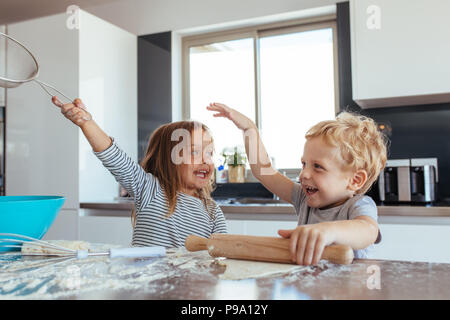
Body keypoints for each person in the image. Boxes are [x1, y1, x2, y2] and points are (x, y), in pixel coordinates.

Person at [207, 102, 387, 265]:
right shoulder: (304, 198)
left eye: (318, 167)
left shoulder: (358, 206)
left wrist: (327, 231)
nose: (304, 174)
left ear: (355, 180)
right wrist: (249, 129)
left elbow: (368, 231)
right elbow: (264, 171)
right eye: (304, 164)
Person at [52, 97, 227, 248]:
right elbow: (114, 157)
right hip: (149, 284)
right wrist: (86, 122)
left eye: (209, 153)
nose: (206, 160)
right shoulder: (150, 189)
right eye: (195, 152)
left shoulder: (213, 212)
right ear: (169, 158)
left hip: (192, 286)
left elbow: (222, 254)